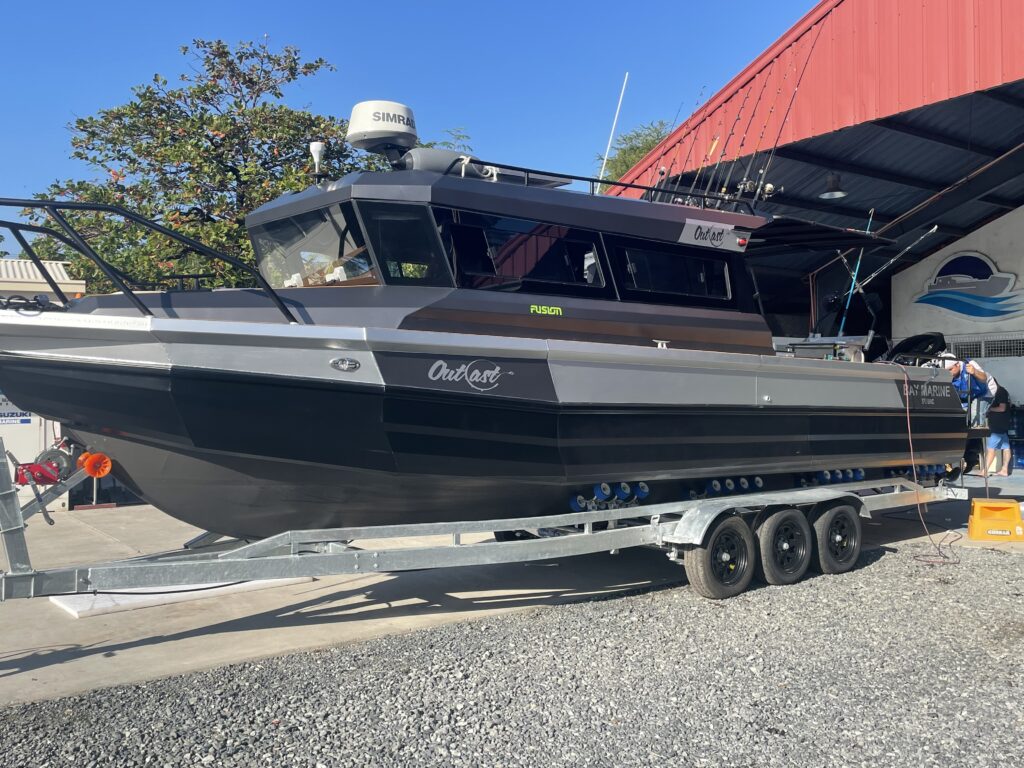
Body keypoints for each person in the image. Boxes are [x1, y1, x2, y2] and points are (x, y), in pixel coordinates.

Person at [938, 352, 997, 426]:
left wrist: (974, 372)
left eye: (950, 369)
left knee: (975, 413)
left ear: (957, 364)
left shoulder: (969, 364)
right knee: (960, 414)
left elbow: (984, 378)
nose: (948, 373)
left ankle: (977, 434)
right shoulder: (946, 375)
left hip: (985, 390)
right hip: (968, 394)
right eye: (946, 371)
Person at [984, 384, 1012, 477]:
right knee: (1006, 447)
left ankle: (984, 471)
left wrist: (989, 409)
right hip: (1002, 424)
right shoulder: (1002, 391)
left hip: (997, 426)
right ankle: (1004, 470)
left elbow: (1002, 408)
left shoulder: (1000, 392)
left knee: (991, 449)